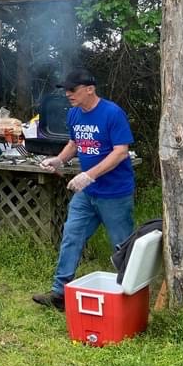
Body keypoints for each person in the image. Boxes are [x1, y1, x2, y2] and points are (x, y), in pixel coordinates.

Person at [32, 68, 135, 311]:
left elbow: (121, 152)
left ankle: (131, 295)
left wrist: (89, 175)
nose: (68, 94)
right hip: (87, 193)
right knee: (72, 236)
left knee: (122, 245)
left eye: (73, 89)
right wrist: (59, 160)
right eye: (66, 90)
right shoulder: (74, 114)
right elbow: (74, 143)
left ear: (90, 89)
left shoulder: (112, 113)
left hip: (115, 193)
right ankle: (60, 294)